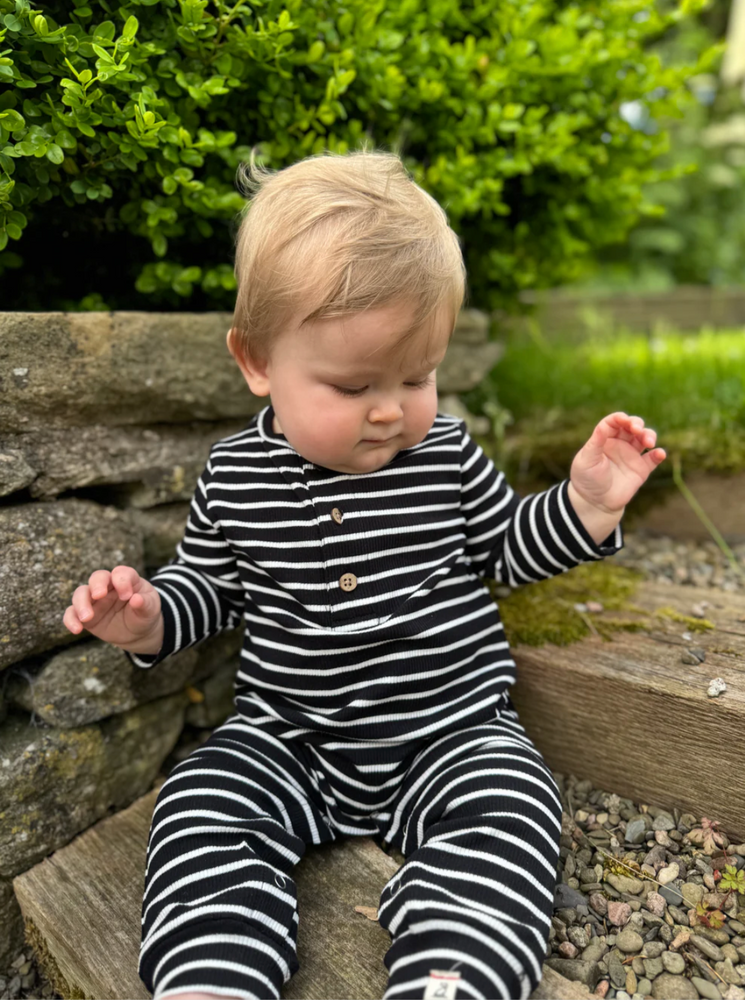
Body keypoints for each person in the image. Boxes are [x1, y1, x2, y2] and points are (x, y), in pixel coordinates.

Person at [62, 148, 666, 1000]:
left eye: (417, 377)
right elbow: (211, 589)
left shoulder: (445, 455)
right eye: (352, 385)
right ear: (257, 362)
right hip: (290, 740)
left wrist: (585, 505)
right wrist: (148, 618)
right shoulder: (236, 478)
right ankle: (213, 976)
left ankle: (450, 975)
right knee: (199, 800)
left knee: (513, 809)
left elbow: (503, 546)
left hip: (447, 734)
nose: (390, 409)